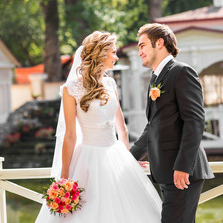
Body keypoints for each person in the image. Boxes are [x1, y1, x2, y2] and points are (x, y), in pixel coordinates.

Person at [35, 31, 162, 223]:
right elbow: (70, 136)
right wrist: (63, 177)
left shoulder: (110, 83)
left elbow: (122, 129)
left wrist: (127, 161)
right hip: (86, 160)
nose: (116, 56)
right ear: (100, 54)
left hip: (115, 155)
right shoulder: (71, 89)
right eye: (113, 52)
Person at [130, 23, 214, 223]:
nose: (139, 51)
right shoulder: (155, 77)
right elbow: (153, 127)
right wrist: (128, 158)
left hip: (182, 173)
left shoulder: (182, 72)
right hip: (166, 171)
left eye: (142, 46)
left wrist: (183, 167)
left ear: (159, 43)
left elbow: (194, 121)